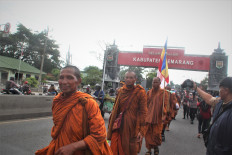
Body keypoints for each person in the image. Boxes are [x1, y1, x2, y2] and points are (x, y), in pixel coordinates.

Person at [35, 65, 112, 155]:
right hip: (60, 149)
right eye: (61, 77)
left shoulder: (88, 103)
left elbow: (99, 134)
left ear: (79, 81)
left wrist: (73, 147)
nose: (64, 82)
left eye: (69, 78)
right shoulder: (57, 101)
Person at [107, 71, 147, 155]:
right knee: (115, 146)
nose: (128, 79)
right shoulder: (121, 91)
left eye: (131, 78)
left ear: (135, 79)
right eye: (127, 77)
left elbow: (143, 112)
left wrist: (141, 130)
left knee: (129, 149)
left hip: (132, 125)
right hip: (119, 124)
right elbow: (116, 108)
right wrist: (111, 122)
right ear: (124, 79)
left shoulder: (140, 92)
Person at [193, 77, 232, 155]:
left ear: (226, 90)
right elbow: (209, 98)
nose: (219, 91)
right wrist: (196, 88)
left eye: (220, 89)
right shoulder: (220, 102)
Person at [145, 77, 168, 155]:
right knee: (148, 133)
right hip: (148, 117)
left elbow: (166, 105)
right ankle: (149, 150)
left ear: (160, 83)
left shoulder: (164, 93)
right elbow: (146, 104)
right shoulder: (149, 92)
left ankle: (155, 147)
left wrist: (164, 115)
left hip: (158, 117)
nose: (154, 84)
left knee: (156, 134)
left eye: (156, 82)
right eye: (153, 82)